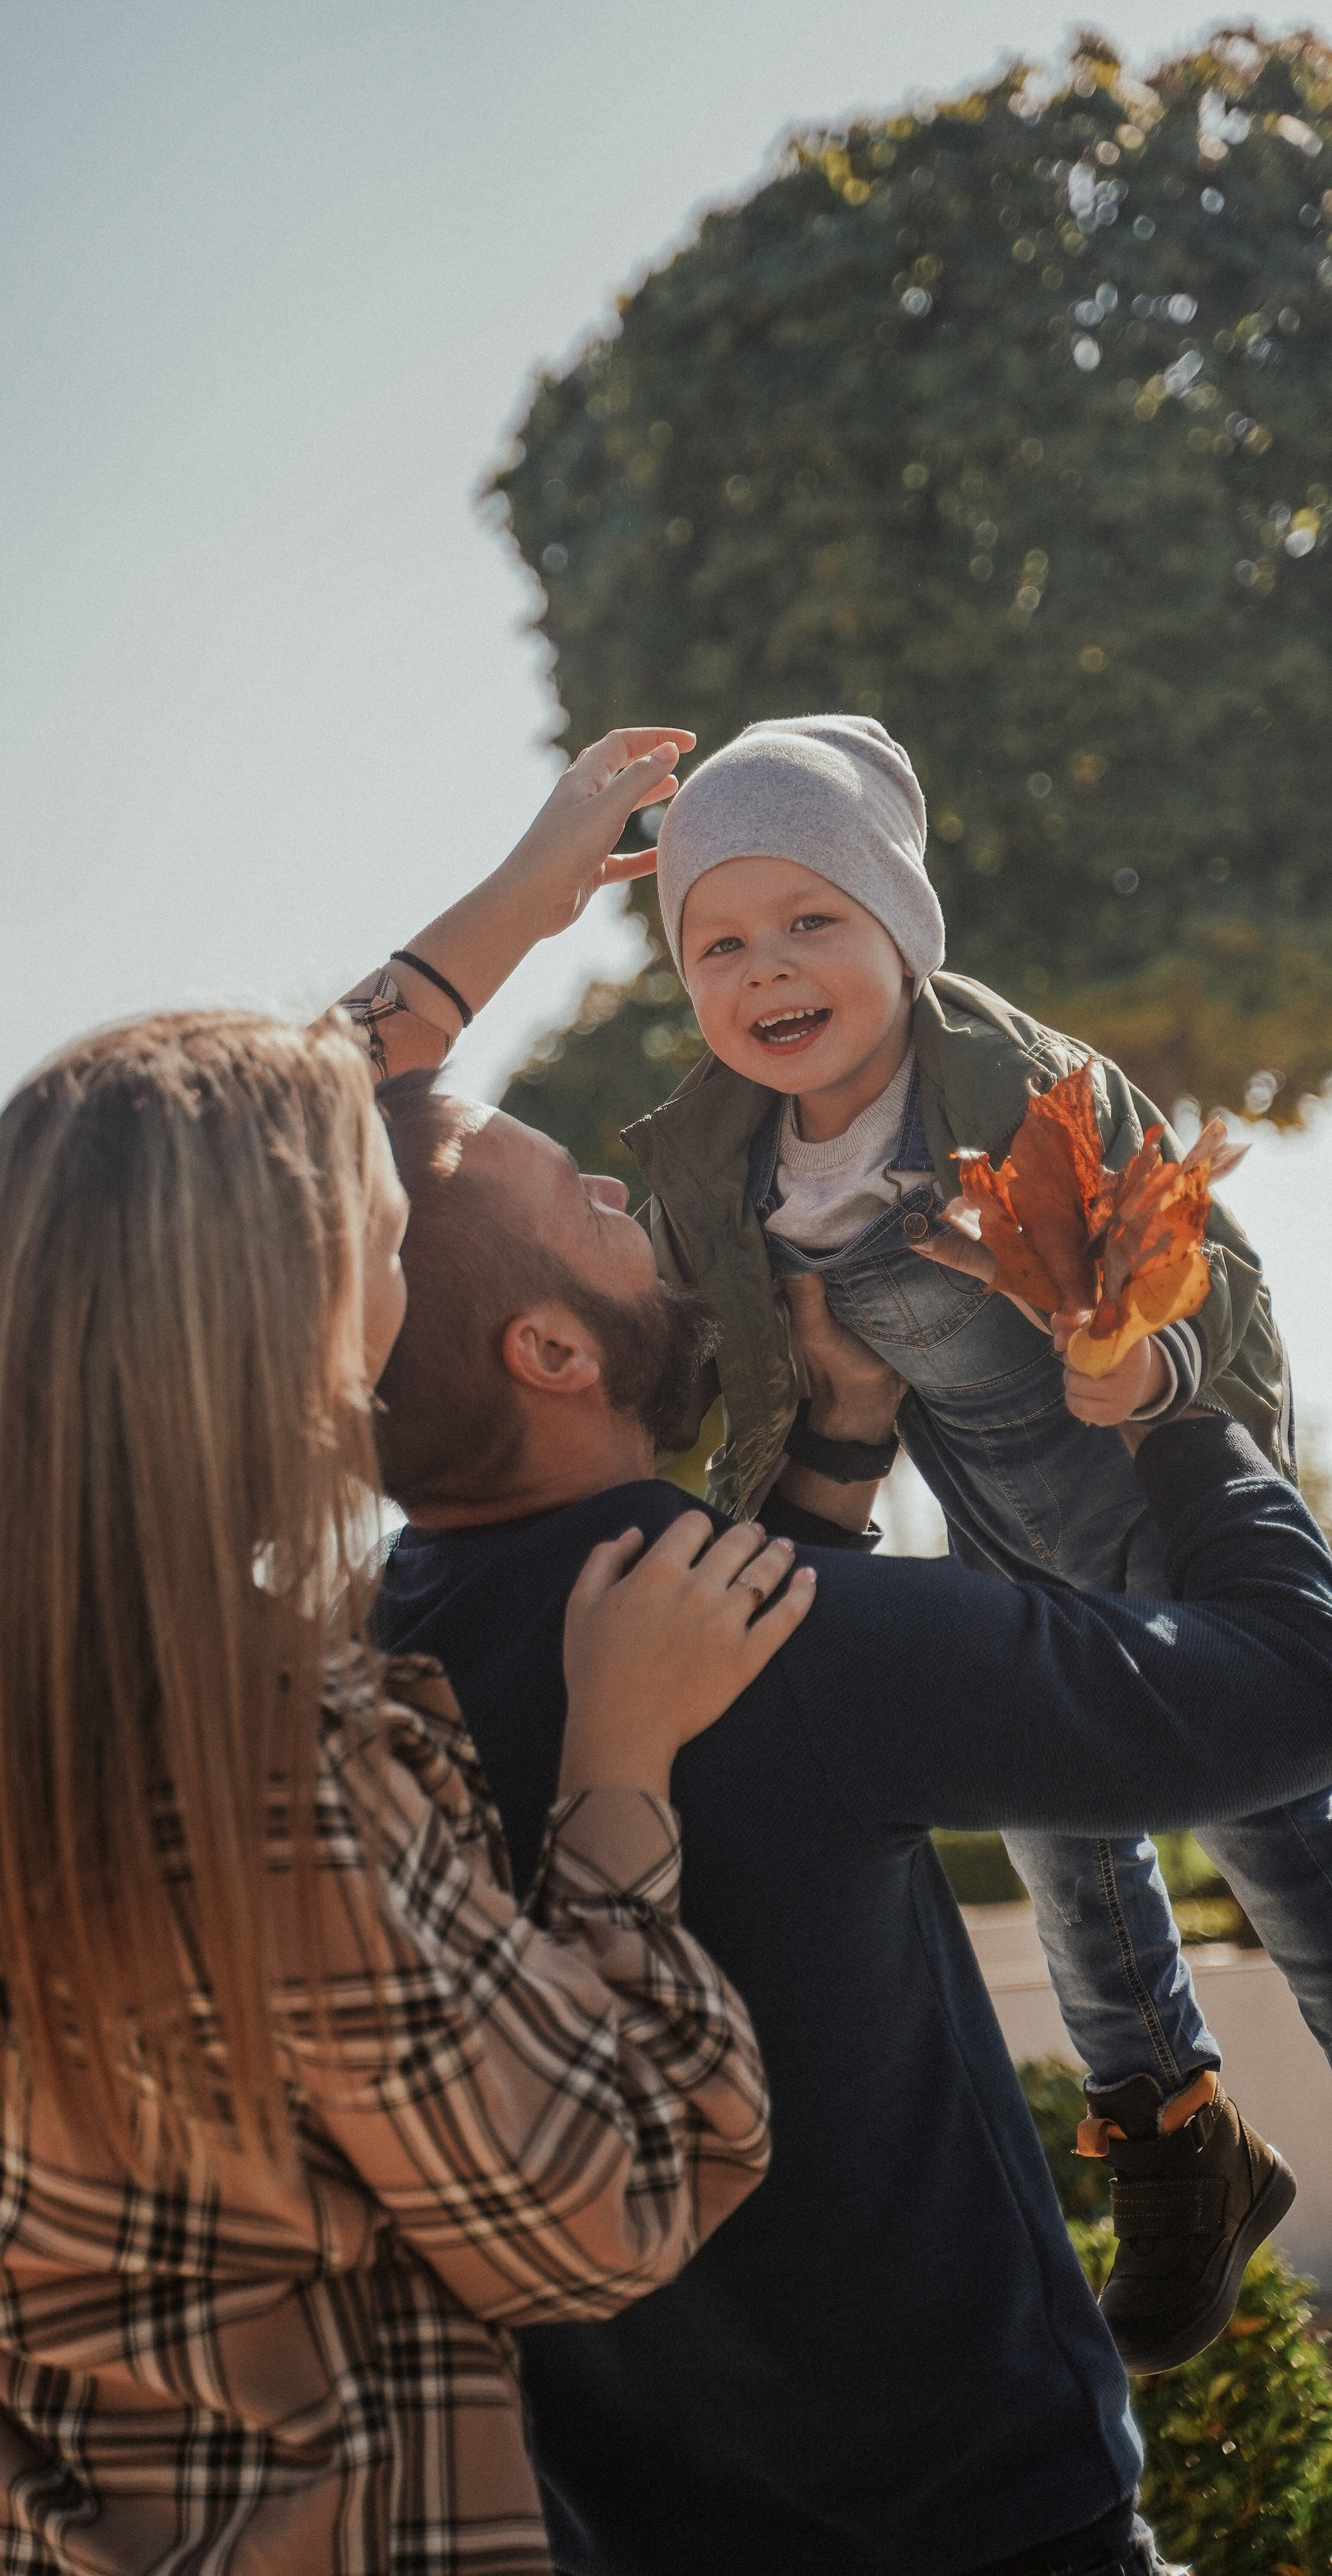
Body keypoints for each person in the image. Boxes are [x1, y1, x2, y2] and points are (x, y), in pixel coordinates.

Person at [0, 730, 807, 2576]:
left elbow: (156, 1179)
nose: (404, 1276)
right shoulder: (274, 1777)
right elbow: (608, 2200)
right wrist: (619, 1775)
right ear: (306, 1313)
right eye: (389, 1238)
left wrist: (509, 904)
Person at [371, 1072, 1332, 2576]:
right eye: (585, 1202)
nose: (632, 1203)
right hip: (983, 2526)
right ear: (549, 1348)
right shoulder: (811, 1649)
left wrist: (833, 1447)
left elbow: (748, 1800)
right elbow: (1290, 1683)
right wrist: (1164, 1395)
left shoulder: (366, 1677)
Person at [618, 711, 1326, 2369]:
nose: (767, 968)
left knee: (1285, 1837)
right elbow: (685, 1374)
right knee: (1061, 1843)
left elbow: (1207, 1269)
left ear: (898, 932)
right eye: (720, 941)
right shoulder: (717, 1170)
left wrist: (1132, 1363)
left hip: (1158, 1511)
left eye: (811, 922)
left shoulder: (1021, 1081)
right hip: (1007, 1552)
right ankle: (1172, 2144)